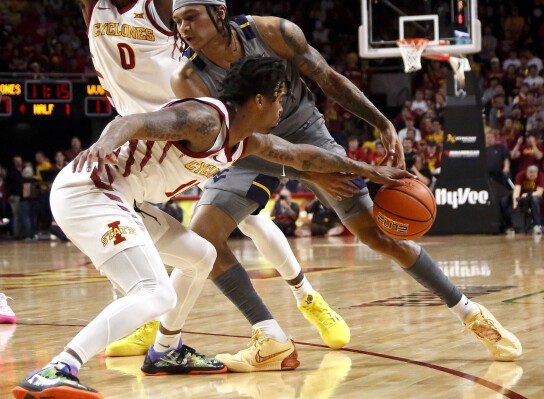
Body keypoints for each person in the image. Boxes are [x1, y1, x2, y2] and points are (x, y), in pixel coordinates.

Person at [13, 56, 413, 399]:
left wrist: (370, 171)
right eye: (280, 98)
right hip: (91, 190)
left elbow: (301, 156)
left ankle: (166, 350)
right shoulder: (205, 119)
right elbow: (134, 121)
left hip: (125, 199)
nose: (283, 108)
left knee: (201, 254)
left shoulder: (247, 141)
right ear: (260, 99)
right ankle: (59, 368)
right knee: (154, 293)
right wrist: (104, 143)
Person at [171, 0, 521, 370]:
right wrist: (306, 173)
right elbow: (231, 146)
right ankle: (270, 336)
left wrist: (381, 122)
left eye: (191, 17)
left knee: (379, 236)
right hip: (246, 151)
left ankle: (472, 314)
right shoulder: (188, 78)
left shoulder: (273, 32)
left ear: (219, 14)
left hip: (307, 136)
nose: (184, 28)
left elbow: (328, 79)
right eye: (177, 21)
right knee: (203, 239)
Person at [77, 0, 352, 359]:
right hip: (138, 132)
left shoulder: (154, 7)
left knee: (249, 220)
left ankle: (307, 296)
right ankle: (152, 323)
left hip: (192, 122)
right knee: (135, 226)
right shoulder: (95, 9)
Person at [511, 165, 544, 235]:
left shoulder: (541, 176)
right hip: (522, 197)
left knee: (534, 200)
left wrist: (528, 195)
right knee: (509, 201)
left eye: (534, 174)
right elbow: (517, 189)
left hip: (535, 196)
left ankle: (537, 225)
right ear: (526, 172)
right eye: (530, 174)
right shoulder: (520, 175)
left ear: (537, 173)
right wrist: (515, 202)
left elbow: (540, 192)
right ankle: (515, 226)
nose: (532, 176)